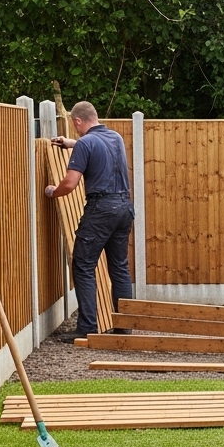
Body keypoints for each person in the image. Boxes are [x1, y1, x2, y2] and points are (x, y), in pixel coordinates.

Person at [45, 101, 135, 342]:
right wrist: (71, 143)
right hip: (125, 208)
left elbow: (70, 183)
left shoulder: (86, 143)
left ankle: (86, 327)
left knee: (83, 265)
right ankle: (125, 326)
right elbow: (94, 146)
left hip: (101, 210)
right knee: (119, 267)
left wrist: (53, 191)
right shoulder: (115, 137)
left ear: (77, 121)